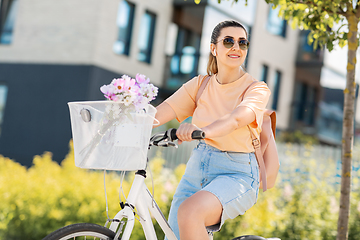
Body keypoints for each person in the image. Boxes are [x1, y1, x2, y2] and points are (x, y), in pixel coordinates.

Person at [154, 20, 271, 240]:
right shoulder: (200, 85)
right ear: (213, 48)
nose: (236, 47)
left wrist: (202, 131)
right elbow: (155, 116)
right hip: (197, 168)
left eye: (242, 43)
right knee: (176, 236)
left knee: (190, 213)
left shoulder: (256, 89)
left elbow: (236, 119)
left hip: (238, 173)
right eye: (228, 41)